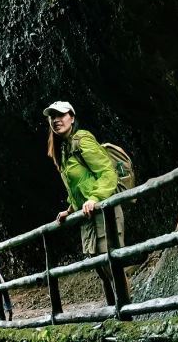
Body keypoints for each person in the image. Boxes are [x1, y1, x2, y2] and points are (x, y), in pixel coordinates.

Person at [45, 100, 126, 307]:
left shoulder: (83, 140)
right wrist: (70, 209)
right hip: (88, 215)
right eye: (52, 117)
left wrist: (94, 198)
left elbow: (107, 173)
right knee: (100, 268)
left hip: (103, 211)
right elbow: (79, 185)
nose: (56, 120)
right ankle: (113, 314)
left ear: (72, 118)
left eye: (61, 115)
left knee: (111, 265)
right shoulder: (64, 149)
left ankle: (126, 315)